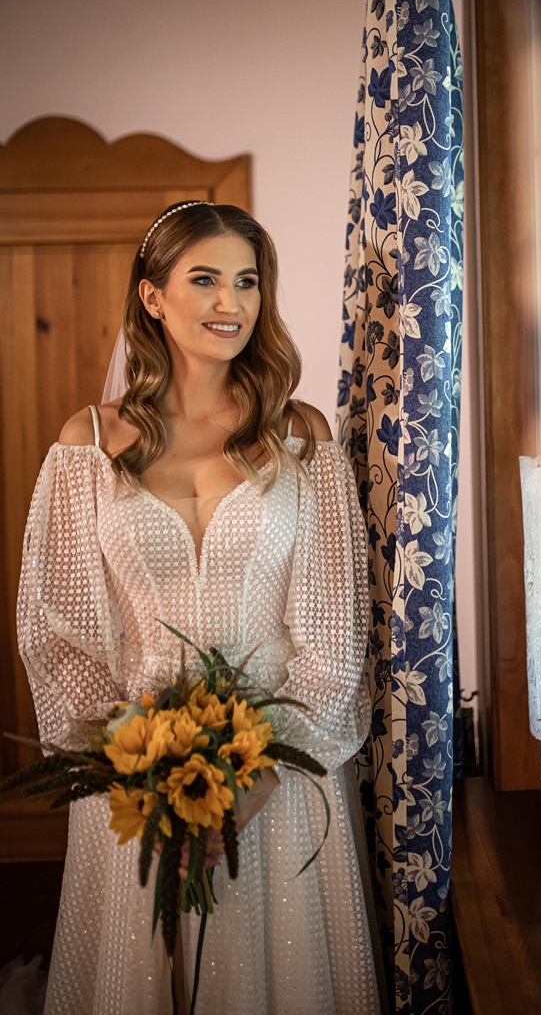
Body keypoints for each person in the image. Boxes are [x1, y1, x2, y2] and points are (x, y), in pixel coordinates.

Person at [17, 201, 382, 1015]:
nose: (231, 302)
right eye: (206, 279)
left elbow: (333, 631)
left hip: (282, 766)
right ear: (153, 297)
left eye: (247, 282)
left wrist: (255, 776)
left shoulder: (300, 436)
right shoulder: (87, 444)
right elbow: (57, 632)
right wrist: (134, 764)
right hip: (138, 771)